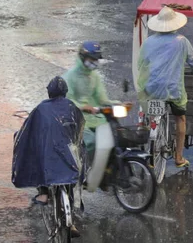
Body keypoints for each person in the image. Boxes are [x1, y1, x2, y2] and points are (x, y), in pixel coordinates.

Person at [12, 76, 86, 238]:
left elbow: (26, 132)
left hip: (50, 156)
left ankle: (43, 191)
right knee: (69, 178)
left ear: (49, 92)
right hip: (69, 155)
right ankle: (71, 221)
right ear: (65, 92)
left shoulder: (41, 109)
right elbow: (80, 129)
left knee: (35, 155)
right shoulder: (72, 106)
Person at [137, 6, 193, 168]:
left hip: (152, 88)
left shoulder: (148, 42)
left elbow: (141, 64)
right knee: (180, 118)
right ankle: (179, 157)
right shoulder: (181, 41)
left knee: (151, 116)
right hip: (174, 90)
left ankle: (149, 145)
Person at [62, 41, 116, 161]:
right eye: (91, 59)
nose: (94, 63)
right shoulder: (70, 77)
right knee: (90, 142)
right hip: (77, 120)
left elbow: (101, 98)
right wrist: (83, 107)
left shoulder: (95, 76)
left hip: (95, 118)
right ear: (82, 58)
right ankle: (85, 172)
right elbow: (67, 101)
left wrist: (117, 104)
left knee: (113, 139)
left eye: (96, 60)